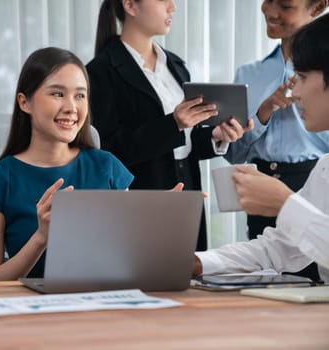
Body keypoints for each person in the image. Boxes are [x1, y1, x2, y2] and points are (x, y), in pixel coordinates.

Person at [86, 0, 252, 251]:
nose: (172, 7)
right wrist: (173, 123)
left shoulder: (175, 66)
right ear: (130, 5)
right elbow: (109, 149)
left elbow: (184, 143)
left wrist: (216, 136)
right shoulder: (100, 71)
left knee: (188, 278)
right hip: (142, 197)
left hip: (188, 189)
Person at [0, 47, 134, 281]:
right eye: (58, 94)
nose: (71, 107)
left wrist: (150, 224)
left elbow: (128, 260)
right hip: (30, 312)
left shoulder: (107, 167)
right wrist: (41, 238)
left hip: (103, 306)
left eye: (80, 95)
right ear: (24, 103)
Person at [194, 12, 329, 283]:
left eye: (301, 76)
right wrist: (196, 263)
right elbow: (279, 249)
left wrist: (285, 203)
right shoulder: (326, 167)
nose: (295, 92)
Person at [225, 0, 329, 239]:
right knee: (265, 266)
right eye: (268, 0)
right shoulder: (248, 74)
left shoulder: (323, 76)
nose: (271, 11)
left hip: (312, 183)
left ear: (317, 8)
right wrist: (264, 112)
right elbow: (234, 153)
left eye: (284, 5)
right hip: (260, 185)